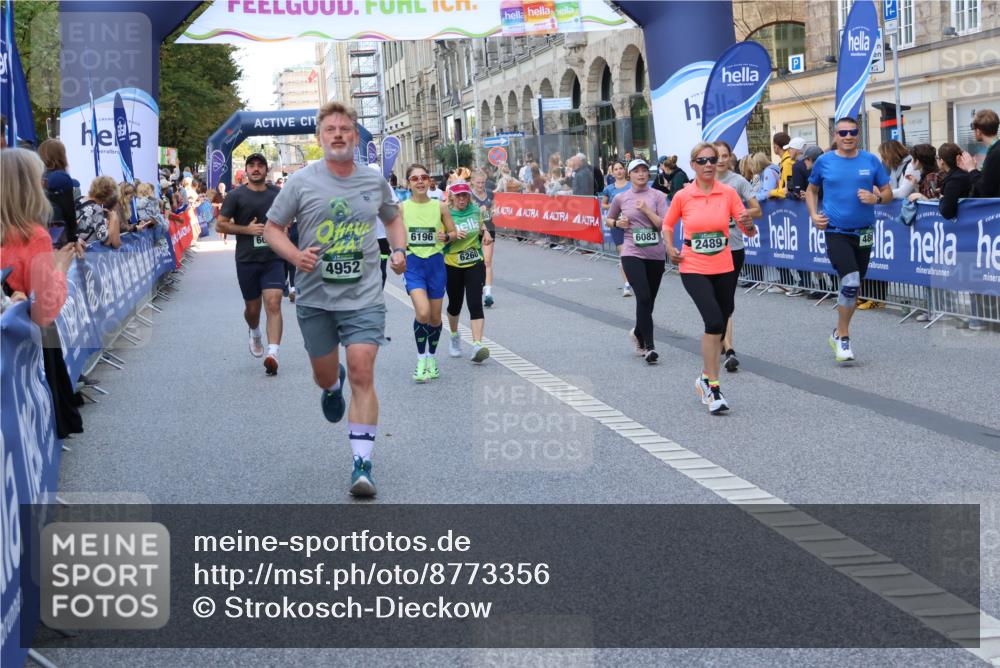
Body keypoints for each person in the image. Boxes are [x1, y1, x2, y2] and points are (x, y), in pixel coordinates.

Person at [263, 101, 406, 497]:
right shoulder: (301, 182)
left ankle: (362, 464)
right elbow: (273, 229)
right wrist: (294, 256)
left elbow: (393, 217)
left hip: (363, 295)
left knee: (362, 370)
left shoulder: (373, 180)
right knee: (328, 374)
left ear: (355, 136)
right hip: (316, 297)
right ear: (320, 138)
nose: (339, 134)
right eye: (331, 130)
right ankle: (331, 386)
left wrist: (398, 251)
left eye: (345, 128)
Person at [663, 143, 756, 413]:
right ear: (693, 165)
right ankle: (713, 387)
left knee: (724, 316)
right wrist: (670, 248)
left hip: (724, 265)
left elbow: (746, 228)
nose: (708, 165)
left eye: (712, 160)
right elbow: (668, 225)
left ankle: (705, 377)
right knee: (714, 321)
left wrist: (748, 225)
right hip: (693, 266)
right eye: (702, 160)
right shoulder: (683, 195)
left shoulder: (727, 193)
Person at [805, 117, 892, 362]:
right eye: (843, 132)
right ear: (835, 135)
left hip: (864, 232)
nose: (848, 136)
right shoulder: (824, 161)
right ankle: (843, 336)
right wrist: (813, 214)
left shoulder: (870, 160)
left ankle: (837, 332)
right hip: (836, 231)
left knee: (854, 287)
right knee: (851, 281)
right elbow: (811, 191)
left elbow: (887, 192)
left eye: (853, 131)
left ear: (858, 133)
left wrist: (877, 199)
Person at [214, 153, 285, 375]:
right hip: (247, 259)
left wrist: (285, 226)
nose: (256, 169)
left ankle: (272, 354)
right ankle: (254, 331)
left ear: (266, 170)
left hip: (273, 258)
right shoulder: (236, 196)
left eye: (260, 165)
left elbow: (289, 215)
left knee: (273, 302)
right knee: (252, 309)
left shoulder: (277, 194)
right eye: (252, 166)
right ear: (246, 170)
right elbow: (220, 226)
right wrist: (247, 230)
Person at [1, 148, 82, 326]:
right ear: (30, 188)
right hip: (25, 343)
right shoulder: (34, 236)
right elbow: (45, 310)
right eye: (41, 181)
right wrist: (60, 268)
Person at [608, 159, 669, 365]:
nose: (641, 174)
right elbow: (609, 219)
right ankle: (650, 347)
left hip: (655, 254)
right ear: (629, 175)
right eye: (636, 171)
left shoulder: (658, 196)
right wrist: (618, 223)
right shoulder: (621, 197)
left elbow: (663, 223)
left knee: (648, 301)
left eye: (644, 171)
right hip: (631, 252)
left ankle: (638, 332)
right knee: (642, 296)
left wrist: (646, 210)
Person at [401, 163, 457, 382]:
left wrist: (448, 237)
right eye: (415, 179)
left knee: (434, 318)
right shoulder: (402, 208)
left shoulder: (440, 207)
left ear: (429, 181)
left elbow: (452, 232)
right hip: (414, 264)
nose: (420, 181)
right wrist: (399, 248)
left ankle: (432, 358)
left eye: (424, 177)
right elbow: (393, 233)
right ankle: (420, 359)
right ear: (409, 183)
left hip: (435, 264)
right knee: (422, 313)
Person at [713, 141, 762, 372]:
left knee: (726, 300)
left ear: (730, 157)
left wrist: (736, 211)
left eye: (725, 155)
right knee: (713, 301)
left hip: (733, 248)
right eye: (717, 156)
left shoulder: (738, 182)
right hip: (709, 250)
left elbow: (757, 210)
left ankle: (729, 348)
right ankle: (720, 338)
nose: (721, 160)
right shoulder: (704, 181)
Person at [444, 180, 493, 363]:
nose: (462, 199)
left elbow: (481, 224)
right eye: (458, 196)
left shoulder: (475, 210)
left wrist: (486, 233)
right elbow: (439, 238)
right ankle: (455, 336)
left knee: (475, 304)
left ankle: (477, 344)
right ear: (452, 197)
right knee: (455, 305)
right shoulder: (446, 213)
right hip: (452, 264)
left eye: (465, 195)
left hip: (474, 262)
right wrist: (452, 236)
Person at [601, 161, 633, 297]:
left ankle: (638, 280)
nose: (619, 171)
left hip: (633, 223)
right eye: (616, 169)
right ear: (612, 172)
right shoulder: (609, 188)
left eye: (621, 168)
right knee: (623, 253)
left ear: (625, 171)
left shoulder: (632, 185)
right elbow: (604, 205)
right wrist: (615, 206)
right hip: (617, 223)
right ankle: (627, 284)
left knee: (636, 253)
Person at [38, 139, 79, 243]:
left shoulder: (37, 177)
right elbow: (69, 212)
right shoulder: (61, 177)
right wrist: (74, 240)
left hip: (39, 233)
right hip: (57, 236)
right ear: (61, 156)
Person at [470, 170, 497, 307]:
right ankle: (477, 285)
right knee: (475, 261)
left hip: (489, 227)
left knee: (487, 261)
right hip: (473, 229)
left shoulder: (491, 194)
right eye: (478, 182)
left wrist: (492, 212)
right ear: (473, 182)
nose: (481, 185)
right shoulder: (468, 195)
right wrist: (476, 212)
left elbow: (493, 209)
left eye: (483, 182)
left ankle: (488, 293)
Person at [958, 108, 1000, 198]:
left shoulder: (995, 153)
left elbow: (985, 190)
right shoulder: (995, 149)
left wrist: (972, 169)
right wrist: (972, 170)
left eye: (973, 128)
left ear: (978, 131)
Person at [75, 176, 122, 249]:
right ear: (110, 194)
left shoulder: (79, 200)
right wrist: (113, 218)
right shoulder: (96, 208)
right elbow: (106, 240)